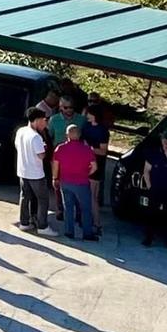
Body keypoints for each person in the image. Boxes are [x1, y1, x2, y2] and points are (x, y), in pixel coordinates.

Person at [46, 93, 87, 226]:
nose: (69, 110)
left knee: (77, 184)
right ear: (60, 107)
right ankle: (60, 209)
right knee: (57, 184)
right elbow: (48, 137)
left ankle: (79, 213)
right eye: (66, 107)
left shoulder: (81, 120)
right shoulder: (54, 120)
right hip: (58, 155)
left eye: (71, 107)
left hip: (76, 157)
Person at [53, 123, 97, 241]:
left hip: (65, 182)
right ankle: (87, 233)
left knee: (68, 207)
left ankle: (69, 232)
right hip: (82, 182)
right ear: (79, 135)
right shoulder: (87, 150)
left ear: (67, 135)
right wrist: (87, 173)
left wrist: (55, 178)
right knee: (85, 209)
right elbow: (94, 167)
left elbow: (56, 166)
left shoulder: (60, 148)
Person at [14, 106, 52, 234]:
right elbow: (41, 155)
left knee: (25, 197)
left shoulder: (21, 131)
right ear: (36, 120)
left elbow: (17, 146)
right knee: (43, 199)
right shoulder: (36, 137)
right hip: (36, 173)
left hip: (23, 170)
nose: (45, 123)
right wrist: (45, 148)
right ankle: (43, 226)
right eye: (43, 120)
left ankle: (24, 222)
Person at [81, 100, 112, 238]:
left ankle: (97, 223)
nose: (87, 115)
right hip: (84, 163)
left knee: (93, 196)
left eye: (89, 113)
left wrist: (90, 148)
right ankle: (86, 220)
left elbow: (103, 151)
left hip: (97, 164)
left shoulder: (103, 131)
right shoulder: (86, 126)